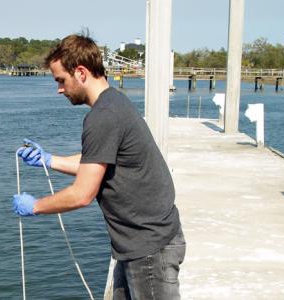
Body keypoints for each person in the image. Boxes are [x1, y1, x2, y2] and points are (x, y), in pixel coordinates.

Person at [12, 34, 186, 300]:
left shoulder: (102, 117)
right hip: (141, 242)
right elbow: (96, 162)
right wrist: (49, 159)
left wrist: (35, 206)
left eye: (61, 80)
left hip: (149, 247)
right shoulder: (114, 101)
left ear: (80, 73)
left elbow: (83, 194)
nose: (59, 89)